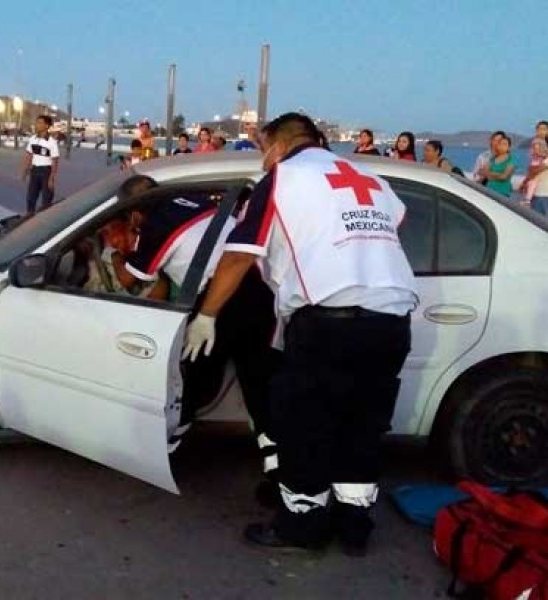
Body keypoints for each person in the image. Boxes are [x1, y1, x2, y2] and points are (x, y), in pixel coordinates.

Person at [184, 113, 417, 554]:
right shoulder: (371, 179)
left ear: (277, 142)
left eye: (261, 148)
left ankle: (302, 527)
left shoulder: (283, 177)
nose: (262, 159)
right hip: (392, 320)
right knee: (362, 425)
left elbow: (239, 254)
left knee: (304, 425)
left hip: (328, 323)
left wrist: (207, 315)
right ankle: (354, 524)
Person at [107, 176, 279, 468]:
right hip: (258, 293)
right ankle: (278, 469)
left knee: (191, 378)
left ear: (135, 211)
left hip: (219, 299)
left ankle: (167, 452)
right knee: (258, 383)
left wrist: (113, 256)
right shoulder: (199, 203)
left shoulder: (155, 226)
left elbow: (132, 279)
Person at [21, 114, 60, 214]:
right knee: (30, 197)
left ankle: (45, 219)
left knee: (46, 199)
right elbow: (29, 155)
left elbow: (55, 161)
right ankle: (29, 216)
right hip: (34, 171)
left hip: (46, 172)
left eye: (39, 123)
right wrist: (25, 170)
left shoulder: (51, 142)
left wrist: (51, 178)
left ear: (46, 126)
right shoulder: (33, 139)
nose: (36, 125)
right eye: (36, 122)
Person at [521, 121, 548, 206]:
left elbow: (536, 170)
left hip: (544, 193)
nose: (541, 131)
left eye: (544, 129)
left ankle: (527, 199)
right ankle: (527, 199)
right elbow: (532, 168)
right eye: (539, 129)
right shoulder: (536, 142)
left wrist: (524, 182)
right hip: (537, 193)